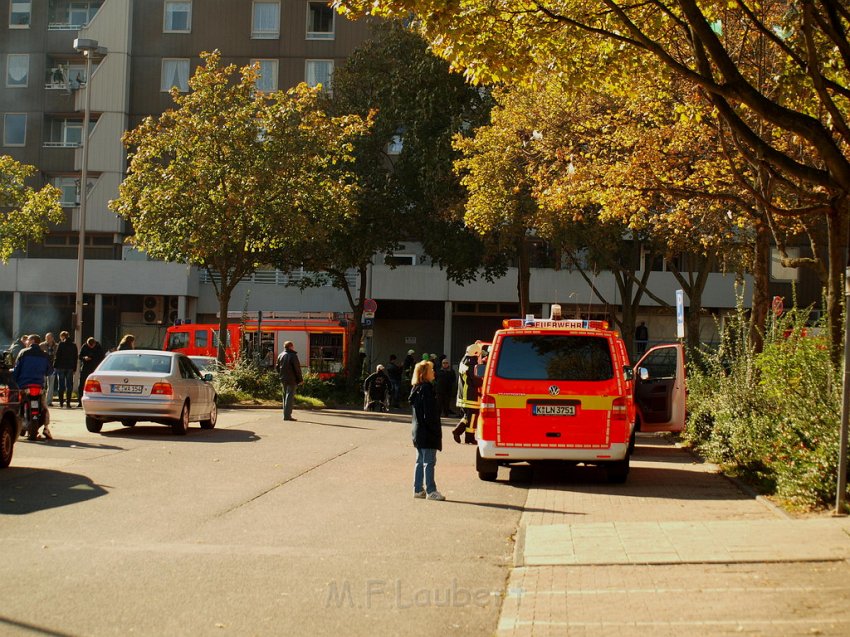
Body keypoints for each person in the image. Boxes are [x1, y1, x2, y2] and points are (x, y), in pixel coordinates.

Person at [409, 356, 444, 501]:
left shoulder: (416, 389)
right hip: (427, 432)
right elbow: (429, 414)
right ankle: (431, 490)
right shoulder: (427, 390)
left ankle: (418, 489)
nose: (434, 372)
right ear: (424, 373)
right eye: (431, 370)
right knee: (429, 462)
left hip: (418, 431)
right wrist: (435, 431)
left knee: (420, 461)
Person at [13, 334, 53, 440]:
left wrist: (14, 380)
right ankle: (46, 427)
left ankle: (20, 424)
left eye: (28, 340)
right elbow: (50, 371)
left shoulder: (23, 353)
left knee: (16, 405)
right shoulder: (44, 355)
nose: (26, 342)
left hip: (24, 385)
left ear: (32, 341)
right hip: (39, 386)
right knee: (44, 407)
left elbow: (17, 369)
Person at [453, 343, 484, 445]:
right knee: (473, 416)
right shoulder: (472, 364)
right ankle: (469, 437)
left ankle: (458, 432)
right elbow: (476, 381)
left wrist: (476, 346)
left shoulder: (464, 360)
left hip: (463, 395)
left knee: (468, 416)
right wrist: (484, 379)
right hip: (471, 395)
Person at [276, 340, 302, 421]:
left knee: (284, 396)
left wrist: (281, 375)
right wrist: (300, 379)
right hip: (292, 379)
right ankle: (287, 416)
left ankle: (285, 414)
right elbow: (297, 369)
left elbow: (277, 367)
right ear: (291, 346)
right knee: (289, 397)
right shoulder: (293, 356)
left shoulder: (280, 355)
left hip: (283, 379)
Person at [78, 337, 105, 408]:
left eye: (91, 346)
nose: (90, 347)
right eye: (89, 346)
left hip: (95, 368)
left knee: (95, 386)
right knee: (82, 384)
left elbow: (102, 357)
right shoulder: (84, 346)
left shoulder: (99, 347)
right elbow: (80, 356)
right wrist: (84, 358)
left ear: (94, 344)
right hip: (85, 368)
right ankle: (80, 401)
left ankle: (96, 402)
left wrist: (93, 359)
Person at [54, 331, 78, 408]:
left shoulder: (61, 344)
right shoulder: (73, 345)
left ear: (62, 336)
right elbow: (75, 357)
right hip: (70, 367)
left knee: (61, 385)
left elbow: (57, 356)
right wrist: (74, 368)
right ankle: (68, 403)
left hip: (61, 367)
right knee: (69, 385)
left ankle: (61, 402)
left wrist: (55, 366)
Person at [40, 332, 58, 406]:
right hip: (43, 367)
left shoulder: (57, 346)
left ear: (52, 338)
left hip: (52, 367)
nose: (47, 339)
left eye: (49, 338)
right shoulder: (41, 345)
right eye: (46, 338)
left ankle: (49, 401)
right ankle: (42, 400)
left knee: (51, 385)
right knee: (43, 384)